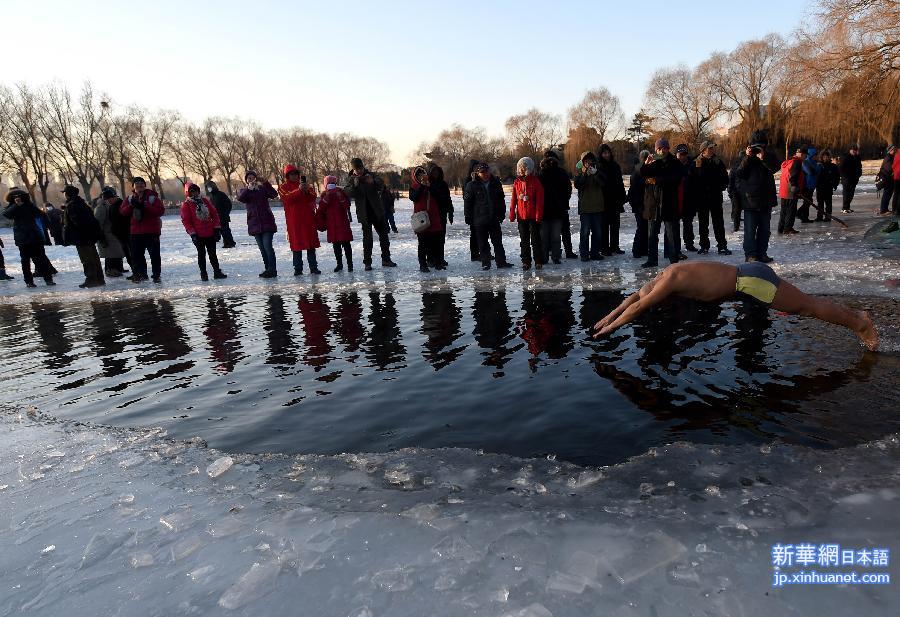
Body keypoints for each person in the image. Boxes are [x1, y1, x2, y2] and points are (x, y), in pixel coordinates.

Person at [590, 260, 878, 351]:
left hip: (750, 283)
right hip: (748, 274)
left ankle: (859, 323)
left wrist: (611, 329)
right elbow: (634, 299)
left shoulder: (669, 281)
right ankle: (857, 318)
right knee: (806, 304)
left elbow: (640, 307)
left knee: (807, 307)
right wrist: (609, 315)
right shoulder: (665, 274)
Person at [343, 157, 395, 271]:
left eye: (360, 168)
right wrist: (355, 185)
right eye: (357, 169)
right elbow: (347, 192)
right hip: (364, 214)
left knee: (384, 236)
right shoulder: (351, 180)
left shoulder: (370, 175)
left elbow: (381, 184)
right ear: (353, 169)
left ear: (363, 167)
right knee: (367, 240)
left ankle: (386, 259)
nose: (359, 171)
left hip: (377, 212)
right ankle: (367, 263)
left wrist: (373, 181)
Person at [640, 138, 683, 267]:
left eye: (664, 148)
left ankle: (673, 260)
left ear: (668, 149)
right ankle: (652, 259)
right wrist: (646, 164)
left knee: (671, 234)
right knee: (652, 234)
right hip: (653, 203)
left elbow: (676, 179)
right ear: (656, 149)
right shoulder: (653, 162)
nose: (661, 151)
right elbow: (641, 175)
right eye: (659, 148)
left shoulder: (675, 162)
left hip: (669, 203)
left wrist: (658, 180)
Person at [464, 162, 512, 271]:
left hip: (494, 218)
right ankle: (486, 263)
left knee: (498, 242)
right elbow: (467, 203)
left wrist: (501, 213)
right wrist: (468, 216)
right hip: (479, 220)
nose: (485, 174)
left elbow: (501, 200)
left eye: (487, 171)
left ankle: (501, 262)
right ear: (477, 173)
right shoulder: (471, 185)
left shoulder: (496, 183)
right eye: (482, 172)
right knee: (483, 243)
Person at [2, 188, 54, 287]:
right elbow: (7, 214)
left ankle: (48, 279)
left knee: (41, 259)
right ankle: (29, 281)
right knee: (25, 261)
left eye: (19, 197)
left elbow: (40, 214)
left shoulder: (29, 205)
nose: (17, 198)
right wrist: (16, 206)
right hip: (22, 238)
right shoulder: (11, 207)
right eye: (15, 197)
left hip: (34, 236)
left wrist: (26, 205)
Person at [120, 176, 165, 283]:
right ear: (133, 187)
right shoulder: (130, 199)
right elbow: (122, 212)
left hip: (151, 232)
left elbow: (160, 211)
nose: (139, 186)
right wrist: (131, 206)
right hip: (136, 233)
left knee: (154, 255)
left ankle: (156, 275)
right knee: (137, 256)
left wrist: (146, 205)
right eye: (137, 184)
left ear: (145, 186)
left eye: (141, 184)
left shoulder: (152, 198)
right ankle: (141, 274)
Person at [279, 165, 321, 276]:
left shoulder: (307, 186)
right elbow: (286, 199)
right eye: (292, 174)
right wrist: (298, 191)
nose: (294, 176)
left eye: (296, 174)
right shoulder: (283, 187)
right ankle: (298, 269)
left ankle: (313, 267)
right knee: (296, 246)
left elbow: (313, 197)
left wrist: (306, 190)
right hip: (294, 222)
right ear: (288, 175)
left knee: (310, 245)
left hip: (308, 220)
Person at [181, 182, 227, 281]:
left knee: (213, 254)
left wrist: (217, 229)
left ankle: (217, 272)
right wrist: (193, 234)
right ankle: (203, 274)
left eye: (196, 191)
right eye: (192, 192)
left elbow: (214, 214)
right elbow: (186, 221)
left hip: (210, 232)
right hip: (198, 235)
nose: (195, 193)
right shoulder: (186, 205)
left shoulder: (205, 201)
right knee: (201, 254)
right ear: (188, 193)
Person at [237, 170, 279, 278]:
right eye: (249, 178)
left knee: (268, 246)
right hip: (254, 223)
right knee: (262, 248)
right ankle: (267, 269)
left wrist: (265, 183)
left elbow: (274, 194)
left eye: (252, 178)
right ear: (246, 180)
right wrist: (248, 189)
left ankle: (272, 269)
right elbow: (241, 198)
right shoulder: (244, 191)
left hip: (267, 222)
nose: (251, 180)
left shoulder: (262, 189)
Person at [61, 185, 105, 288]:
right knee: (94, 258)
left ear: (68, 194)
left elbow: (77, 222)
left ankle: (92, 279)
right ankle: (99, 279)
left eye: (65, 193)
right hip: (88, 236)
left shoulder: (72, 205)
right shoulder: (82, 203)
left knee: (87, 259)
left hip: (82, 237)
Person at [692, 140, 731, 255]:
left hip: (715, 197)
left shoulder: (718, 161)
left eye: (713, 148)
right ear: (703, 150)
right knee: (703, 223)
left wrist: (721, 187)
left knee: (718, 222)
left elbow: (725, 177)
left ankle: (722, 245)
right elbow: (693, 181)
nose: (712, 150)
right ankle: (704, 246)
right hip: (702, 198)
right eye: (710, 148)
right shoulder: (696, 162)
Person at [537, 149, 572, 264]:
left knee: (560, 233)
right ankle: (547, 256)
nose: (549, 162)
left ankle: (562, 253)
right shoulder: (541, 173)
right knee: (546, 236)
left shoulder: (561, 173)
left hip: (559, 208)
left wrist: (564, 200)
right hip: (546, 209)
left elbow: (568, 188)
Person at [510, 157, 544, 270]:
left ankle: (538, 260)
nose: (522, 169)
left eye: (524, 167)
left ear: (529, 168)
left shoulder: (536, 182)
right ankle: (526, 261)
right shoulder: (517, 182)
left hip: (533, 216)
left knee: (535, 240)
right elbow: (513, 199)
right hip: (521, 216)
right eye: (521, 167)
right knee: (524, 241)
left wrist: (538, 215)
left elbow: (540, 201)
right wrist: (512, 213)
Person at [409, 166, 445, 272]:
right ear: (415, 177)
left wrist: (429, 187)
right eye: (419, 175)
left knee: (437, 242)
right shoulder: (414, 187)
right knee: (423, 243)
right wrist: (422, 186)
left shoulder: (432, 185)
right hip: (421, 218)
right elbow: (414, 197)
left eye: (423, 174)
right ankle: (423, 265)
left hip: (434, 217)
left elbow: (439, 197)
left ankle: (438, 263)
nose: (421, 177)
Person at [573, 151, 605, 261]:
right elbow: (577, 185)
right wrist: (584, 174)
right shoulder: (579, 172)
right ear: (583, 162)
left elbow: (603, 183)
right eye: (586, 161)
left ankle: (595, 253)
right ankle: (584, 254)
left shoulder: (599, 170)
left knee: (597, 232)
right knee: (585, 232)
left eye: (590, 160)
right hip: (585, 208)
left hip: (597, 207)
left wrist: (595, 174)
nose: (588, 163)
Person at [317, 175, 353, 272]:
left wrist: (340, 197)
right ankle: (339, 264)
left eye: (333, 183)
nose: (331, 185)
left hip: (342, 223)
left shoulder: (341, 192)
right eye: (329, 184)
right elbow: (321, 209)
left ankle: (350, 265)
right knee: (336, 245)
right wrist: (326, 199)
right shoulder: (324, 195)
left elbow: (347, 205)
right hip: (331, 224)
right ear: (325, 185)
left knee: (346, 244)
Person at [598, 144, 626, 256]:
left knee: (615, 225)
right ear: (601, 154)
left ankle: (614, 246)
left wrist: (623, 196)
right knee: (604, 226)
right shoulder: (599, 166)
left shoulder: (615, 166)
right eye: (604, 153)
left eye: (608, 152)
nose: (607, 155)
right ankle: (604, 247)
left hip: (615, 200)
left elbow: (620, 182)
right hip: (604, 200)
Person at [93, 188, 126, 277]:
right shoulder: (101, 207)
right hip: (107, 234)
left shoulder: (109, 205)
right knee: (110, 254)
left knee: (116, 252)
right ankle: (110, 270)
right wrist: (101, 236)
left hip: (112, 233)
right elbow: (98, 222)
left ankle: (118, 268)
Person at [100, 187, 131, 275]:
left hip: (122, 233)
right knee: (113, 253)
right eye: (107, 199)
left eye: (109, 199)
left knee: (123, 253)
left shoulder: (119, 205)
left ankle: (120, 268)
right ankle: (112, 269)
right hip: (113, 234)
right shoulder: (107, 206)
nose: (108, 201)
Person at [427, 164, 453, 268]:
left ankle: (440, 258)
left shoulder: (443, 184)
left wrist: (450, 212)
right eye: (433, 172)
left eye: (437, 172)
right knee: (431, 238)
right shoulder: (428, 185)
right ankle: (431, 259)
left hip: (442, 213)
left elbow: (448, 199)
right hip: (431, 214)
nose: (435, 174)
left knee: (441, 238)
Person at [777, 147, 807, 235]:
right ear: (802, 154)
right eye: (805, 156)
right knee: (791, 210)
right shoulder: (797, 162)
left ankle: (781, 228)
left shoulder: (789, 161)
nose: (805, 158)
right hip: (790, 190)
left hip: (784, 189)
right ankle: (788, 228)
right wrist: (794, 186)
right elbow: (793, 176)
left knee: (784, 210)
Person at [674, 143, 697, 252]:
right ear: (676, 154)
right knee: (675, 225)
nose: (683, 156)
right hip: (675, 199)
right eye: (680, 154)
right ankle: (675, 246)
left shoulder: (693, 165)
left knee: (688, 224)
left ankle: (689, 243)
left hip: (689, 199)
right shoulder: (672, 165)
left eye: (684, 154)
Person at [628, 150, 650, 258]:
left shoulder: (639, 170)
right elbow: (635, 188)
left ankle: (643, 250)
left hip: (643, 203)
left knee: (644, 227)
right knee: (642, 227)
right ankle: (637, 250)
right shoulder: (638, 170)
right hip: (639, 203)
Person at [205, 181, 235, 247]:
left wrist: (226, 213)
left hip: (223, 216)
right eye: (208, 187)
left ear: (213, 186)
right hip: (216, 217)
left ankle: (230, 243)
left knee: (225, 230)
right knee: (222, 231)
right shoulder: (211, 196)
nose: (209, 188)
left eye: (210, 187)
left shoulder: (221, 194)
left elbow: (228, 204)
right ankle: (226, 243)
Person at [815, 149, 840, 222]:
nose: (825, 158)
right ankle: (819, 216)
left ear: (829, 157)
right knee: (820, 203)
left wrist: (835, 185)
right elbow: (815, 176)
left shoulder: (833, 166)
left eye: (827, 157)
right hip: (820, 187)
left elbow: (837, 176)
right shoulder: (819, 165)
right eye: (824, 157)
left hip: (828, 187)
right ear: (821, 157)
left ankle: (828, 216)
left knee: (828, 203)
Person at [798, 147, 821, 223]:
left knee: (807, 201)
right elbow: (811, 172)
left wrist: (817, 169)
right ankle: (798, 213)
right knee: (808, 201)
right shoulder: (806, 162)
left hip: (812, 185)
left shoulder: (814, 162)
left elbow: (817, 171)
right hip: (807, 185)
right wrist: (817, 169)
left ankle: (804, 217)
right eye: (815, 155)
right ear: (811, 155)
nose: (816, 157)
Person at [839, 144, 862, 213]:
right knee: (846, 193)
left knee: (851, 194)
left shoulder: (857, 157)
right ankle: (844, 208)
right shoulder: (845, 157)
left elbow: (859, 167)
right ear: (850, 150)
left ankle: (847, 207)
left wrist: (859, 174)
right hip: (847, 178)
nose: (855, 151)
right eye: (853, 150)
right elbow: (841, 168)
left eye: (856, 150)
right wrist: (844, 176)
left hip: (854, 178)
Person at [877, 145, 895, 215]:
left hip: (889, 179)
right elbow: (889, 169)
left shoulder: (890, 157)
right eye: (893, 149)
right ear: (890, 150)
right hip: (887, 179)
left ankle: (885, 209)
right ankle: (883, 210)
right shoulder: (888, 158)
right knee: (886, 194)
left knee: (888, 194)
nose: (894, 150)